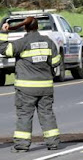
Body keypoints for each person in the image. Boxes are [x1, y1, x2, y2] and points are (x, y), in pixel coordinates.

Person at [0, 17, 61, 152]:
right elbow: (56, 62)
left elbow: (4, 50)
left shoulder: (22, 42)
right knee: (47, 114)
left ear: (25, 28)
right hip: (45, 87)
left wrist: (3, 32)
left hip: (26, 89)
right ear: (37, 27)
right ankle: (53, 143)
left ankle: (22, 145)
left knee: (25, 115)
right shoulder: (48, 42)